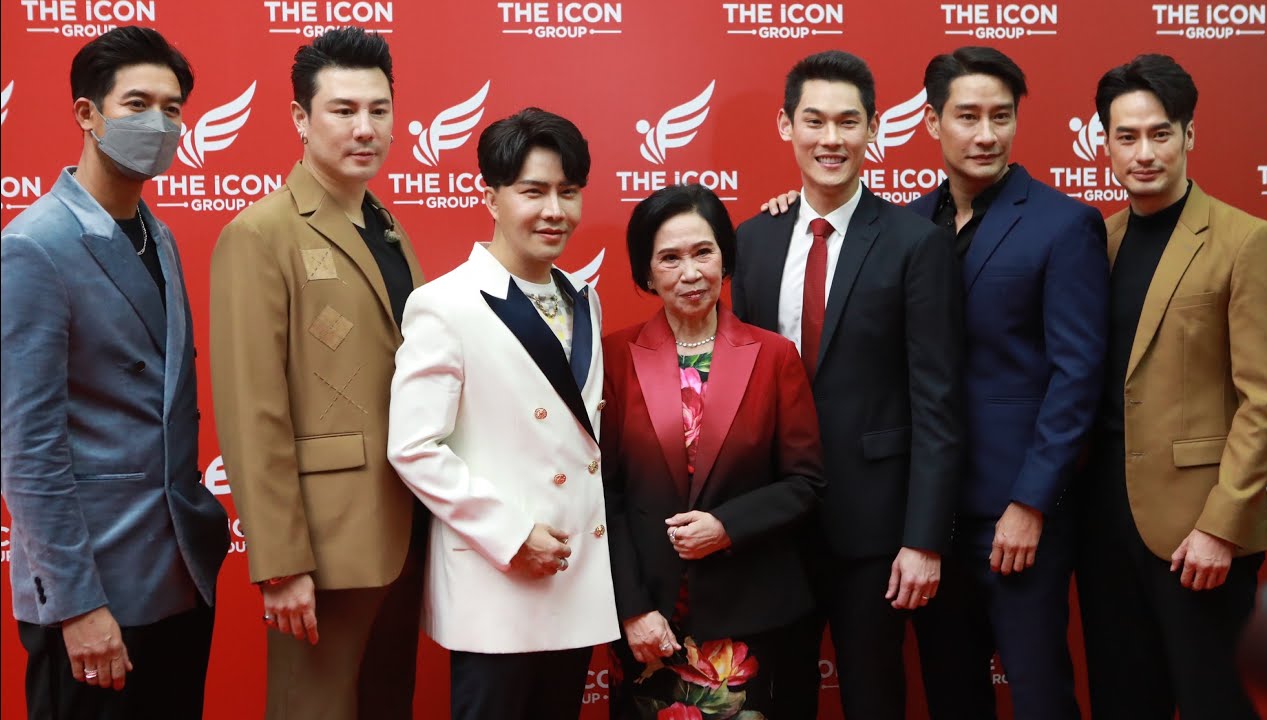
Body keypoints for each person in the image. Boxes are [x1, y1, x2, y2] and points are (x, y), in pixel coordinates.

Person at [1, 25, 228, 719]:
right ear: (87, 113)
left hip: (178, 578)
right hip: (95, 594)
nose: (157, 124)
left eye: (172, 108)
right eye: (137, 104)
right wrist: (76, 606)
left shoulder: (158, 235)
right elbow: (29, 449)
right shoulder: (33, 247)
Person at [732, 50, 965, 718]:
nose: (830, 139)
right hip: (773, 529)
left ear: (873, 129)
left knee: (873, 696)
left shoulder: (915, 243)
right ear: (786, 125)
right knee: (778, 700)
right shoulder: (753, 241)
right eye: (814, 121)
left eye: (847, 122)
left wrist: (924, 539)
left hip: (876, 530)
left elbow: (938, 402)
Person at [209, 27, 426, 719]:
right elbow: (253, 409)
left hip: (408, 529)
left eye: (379, 110)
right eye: (343, 110)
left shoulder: (387, 226)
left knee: (387, 702)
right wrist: (280, 562)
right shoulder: (260, 233)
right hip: (325, 546)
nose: (365, 128)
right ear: (301, 118)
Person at [387, 108, 618, 720]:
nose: (554, 211)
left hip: (573, 576)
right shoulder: (445, 304)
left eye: (569, 192)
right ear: (490, 197)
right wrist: (511, 536)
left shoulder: (584, 298)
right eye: (533, 191)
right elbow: (413, 446)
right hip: (499, 579)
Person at [901, 47, 1108, 720]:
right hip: (927, 517)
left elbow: (1077, 375)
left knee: (1040, 692)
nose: (986, 134)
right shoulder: (901, 225)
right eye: (967, 116)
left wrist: (1031, 503)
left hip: (1018, 514)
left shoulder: (1063, 223)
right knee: (951, 695)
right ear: (932, 122)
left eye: (1002, 116)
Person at [1076, 53, 1267, 720]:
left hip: (1199, 530)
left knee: (1215, 702)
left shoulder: (1247, 242)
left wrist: (1221, 526)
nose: (1144, 153)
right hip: (1102, 525)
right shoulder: (1095, 242)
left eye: (1160, 133)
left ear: (1189, 134)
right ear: (1105, 144)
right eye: (1127, 136)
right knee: (1122, 702)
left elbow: (1264, 400)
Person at [602, 184, 825, 719]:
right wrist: (632, 609)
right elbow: (604, 494)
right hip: (651, 622)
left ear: (725, 258)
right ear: (646, 272)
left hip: (751, 615)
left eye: (703, 252)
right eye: (670, 258)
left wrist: (727, 525)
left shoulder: (774, 355)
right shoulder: (614, 356)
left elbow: (806, 483)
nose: (691, 272)